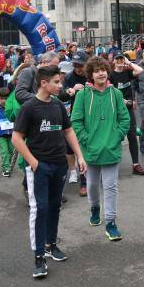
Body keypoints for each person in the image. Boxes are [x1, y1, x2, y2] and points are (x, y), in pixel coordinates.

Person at [13, 65, 87, 279]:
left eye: (60, 81)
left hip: (60, 165)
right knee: (40, 209)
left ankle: (50, 245)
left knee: (54, 206)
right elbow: (17, 138)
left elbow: (68, 130)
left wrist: (79, 155)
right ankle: (38, 257)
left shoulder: (57, 105)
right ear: (43, 83)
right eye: (56, 81)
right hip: (39, 167)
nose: (60, 85)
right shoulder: (29, 107)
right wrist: (34, 163)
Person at [71, 56, 130, 242]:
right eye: (96, 71)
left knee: (111, 186)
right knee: (92, 185)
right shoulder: (82, 95)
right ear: (91, 74)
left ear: (107, 71)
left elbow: (125, 119)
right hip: (90, 149)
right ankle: (95, 207)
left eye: (103, 69)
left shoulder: (116, 94)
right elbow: (76, 121)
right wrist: (85, 140)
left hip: (111, 148)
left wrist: (117, 136)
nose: (101, 73)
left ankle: (111, 222)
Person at [109, 52, 144, 175]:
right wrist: (121, 100)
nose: (120, 61)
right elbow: (108, 91)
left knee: (132, 136)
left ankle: (135, 164)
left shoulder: (127, 72)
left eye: (121, 59)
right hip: (115, 110)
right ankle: (112, 164)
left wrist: (128, 62)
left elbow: (140, 70)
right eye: (117, 59)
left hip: (128, 109)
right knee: (115, 137)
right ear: (114, 61)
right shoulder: (111, 75)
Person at [63, 51, 88, 190]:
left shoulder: (91, 75)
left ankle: (86, 178)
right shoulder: (68, 76)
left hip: (90, 113)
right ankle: (74, 171)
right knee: (71, 146)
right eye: (75, 65)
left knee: (86, 146)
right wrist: (72, 90)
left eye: (81, 65)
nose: (78, 68)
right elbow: (63, 94)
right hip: (74, 115)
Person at [0, 87, 15, 177]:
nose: (4, 101)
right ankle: (6, 168)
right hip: (1, 133)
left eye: (6, 99)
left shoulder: (12, 106)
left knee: (11, 150)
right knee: (4, 151)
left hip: (12, 132)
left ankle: (8, 164)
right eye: (1, 99)